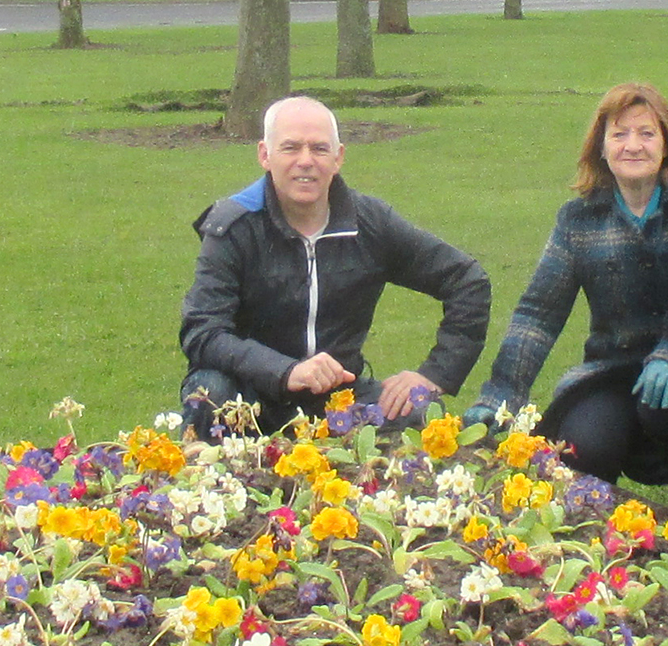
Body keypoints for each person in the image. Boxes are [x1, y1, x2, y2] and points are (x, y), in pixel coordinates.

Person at [462, 83, 668, 513]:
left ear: (667, 144)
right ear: (601, 148)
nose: (632, 146)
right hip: (613, 372)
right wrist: (501, 394)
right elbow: (538, 315)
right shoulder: (578, 221)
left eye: (646, 133)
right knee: (581, 452)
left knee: (667, 410)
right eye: (619, 134)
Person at [179, 96, 491, 441]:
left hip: (339, 398)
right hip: (251, 394)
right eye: (290, 148)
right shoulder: (232, 227)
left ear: (338, 157)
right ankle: (212, 490)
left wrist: (435, 375)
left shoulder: (370, 223)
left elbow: (467, 281)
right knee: (208, 391)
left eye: (319, 149)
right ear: (264, 155)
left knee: (417, 413)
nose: (305, 161)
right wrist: (286, 372)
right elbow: (203, 332)